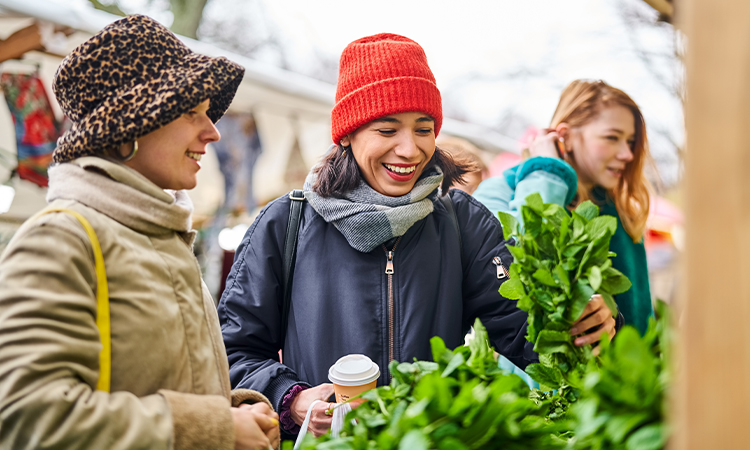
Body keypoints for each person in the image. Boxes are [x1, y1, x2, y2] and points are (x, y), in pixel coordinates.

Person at [218, 34, 616, 439]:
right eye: (387, 129)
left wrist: (581, 323)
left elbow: (524, 333)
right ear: (348, 133)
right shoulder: (285, 223)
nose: (409, 149)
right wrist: (293, 400)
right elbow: (233, 353)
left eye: (423, 129)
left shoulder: (462, 222)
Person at [0, 15, 279, 450]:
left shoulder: (165, 237)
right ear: (128, 127)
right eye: (192, 113)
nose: (213, 132)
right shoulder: (60, 239)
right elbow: (29, 417)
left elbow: (153, 381)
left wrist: (236, 410)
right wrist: (215, 429)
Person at [474, 80, 652, 335]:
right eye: (612, 138)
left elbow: (641, 323)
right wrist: (546, 172)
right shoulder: (498, 193)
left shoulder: (622, 214)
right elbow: (519, 272)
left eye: (630, 141)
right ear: (565, 136)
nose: (627, 154)